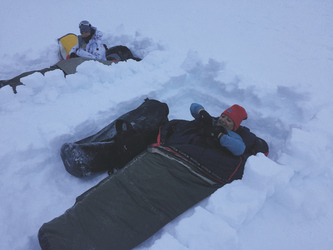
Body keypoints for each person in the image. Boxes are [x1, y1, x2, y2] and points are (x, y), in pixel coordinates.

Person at [38, 99, 269, 250]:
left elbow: (239, 150)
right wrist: (204, 115)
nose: (223, 120)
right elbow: (194, 106)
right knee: (117, 187)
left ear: (235, 125)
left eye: (229, 120)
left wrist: (219, 135)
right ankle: (66, 229)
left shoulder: (237, 139)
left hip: (189, 173)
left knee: (138, 207)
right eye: (223, 116)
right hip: (166, 157)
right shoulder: (209, 123)